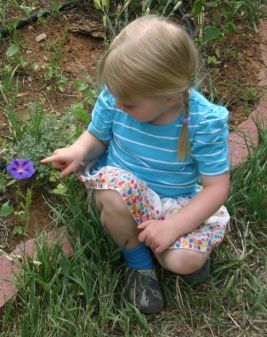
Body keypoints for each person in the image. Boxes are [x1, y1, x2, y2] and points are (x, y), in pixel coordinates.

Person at [41, 15, 230, 314]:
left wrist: (173, 227)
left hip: (174, 204)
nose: (118, 105)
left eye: (128, 104)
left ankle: (171, 248)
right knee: (113, 193)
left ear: (168, 98)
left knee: (183, 262)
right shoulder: (119, 97)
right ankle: (139, 265)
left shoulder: (203, 122)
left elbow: (216, 188)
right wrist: (79, 150)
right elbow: (97, 136)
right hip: (122, 194)